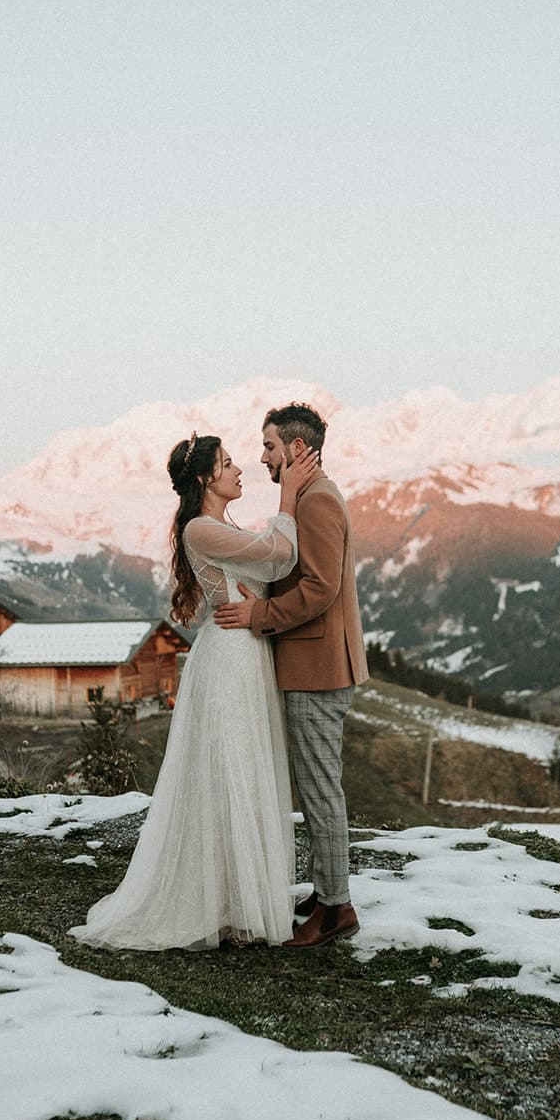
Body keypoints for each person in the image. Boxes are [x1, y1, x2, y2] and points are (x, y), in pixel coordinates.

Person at [69, 432, 317, 951]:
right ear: (206, 479)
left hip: (246, 652)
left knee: (245, 770)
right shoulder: (201, 530)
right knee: (231, 769)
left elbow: (269, 565)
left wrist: (260, 590)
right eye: (228, 464)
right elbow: (280, 555)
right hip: (230, 660)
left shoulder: (219, 526)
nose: (239, 470)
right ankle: (230, 900)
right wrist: (288, 496)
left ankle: (240, 896)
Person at [215, 402, 369, 948]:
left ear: (296, 449)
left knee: (321, 790)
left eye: (269, 448)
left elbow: (320, 588)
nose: (262, 458)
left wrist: (260, 616)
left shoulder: (318, 500)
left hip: (318, 667)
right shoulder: (307, 497)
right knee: (314, 785)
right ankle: (327, 891)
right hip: (312, 663)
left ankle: (337, 910)